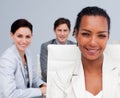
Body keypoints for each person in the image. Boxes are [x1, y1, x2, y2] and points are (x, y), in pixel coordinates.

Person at [47, 6, 120, 98]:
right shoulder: (61, 77)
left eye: (101, 35)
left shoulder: (117, 74)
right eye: (86, 34)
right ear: (76, 34)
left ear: (108, 37)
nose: (93, 43)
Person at [0, 19, 46, 98]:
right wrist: (40, 91)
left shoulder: (27, 52)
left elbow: (33, 77)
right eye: (19, 36)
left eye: (27, 37)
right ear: (12, 35)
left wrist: (43, 85)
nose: (24, 41)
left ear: (32, 36)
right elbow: (9, 94)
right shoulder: (7, 59)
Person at [40, 17, 76, 82]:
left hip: (70, 83)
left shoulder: (75, 46)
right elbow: (45, 73)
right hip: (51, 83)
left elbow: (77, 71)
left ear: (69, 31)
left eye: (65, 30)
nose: (62, 34)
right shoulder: (46, 46)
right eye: (59, 30)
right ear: (54, 31)